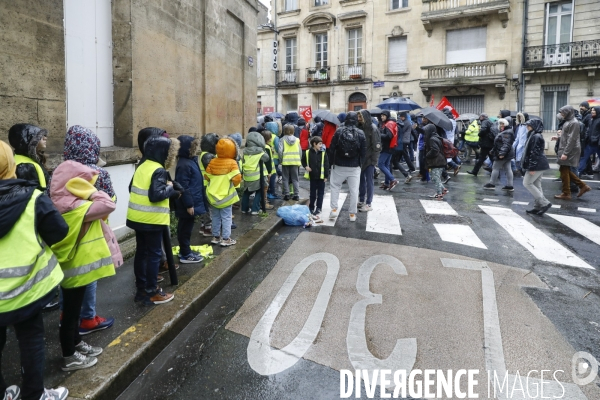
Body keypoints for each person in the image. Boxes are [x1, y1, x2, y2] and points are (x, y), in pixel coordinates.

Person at [0, 140, 70, 400]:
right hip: (25, 291)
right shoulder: (32, 198)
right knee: (30, 340)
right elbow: (59, 231)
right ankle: (35, 394)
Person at [50, 160, 118, 371]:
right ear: (73, 184)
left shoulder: (58, 202)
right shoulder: (78, 206)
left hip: (71, 267)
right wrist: (90, 192)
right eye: (84, 182)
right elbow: (108, 204)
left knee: (73, 311)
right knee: (70, 314)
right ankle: (69, 356)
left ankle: (76, 343)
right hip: (76, 269)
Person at [62, 125, 120, 335]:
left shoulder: (61, 170)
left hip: (66, 231)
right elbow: (111, 200)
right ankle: (88, 318)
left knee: (68, 273)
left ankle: (66, 313)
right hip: (93, 230)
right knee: (88, 273)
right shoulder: (98, 173)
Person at [127, 136, 180, 305]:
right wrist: (171, 189)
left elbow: (131, 188)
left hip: (136, 217)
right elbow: (156, 195)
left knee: (141, 253)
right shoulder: (158, 169)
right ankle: (152, 292)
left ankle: (141, 289)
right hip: (152, 220)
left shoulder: (142, 166)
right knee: (154, 254)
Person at [328, 112, 366, 222]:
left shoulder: (339, 131)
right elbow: (363, 151)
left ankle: (334, 209)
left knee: (335, 186)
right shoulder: (360, 133)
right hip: (354, 165)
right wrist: (360, 164)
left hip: (339, 164)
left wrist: (331, 163)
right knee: (354, 190)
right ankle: (352, 214)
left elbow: (332, 148)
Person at [204, 137, 242, 246]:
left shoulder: (212, 161)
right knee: (226, 217)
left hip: (212, 196)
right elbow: (237, 177)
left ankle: (216, 237)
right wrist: (232, 184)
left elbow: (206, 176)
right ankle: (226, 238)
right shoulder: (232, 163)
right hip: (226, 196)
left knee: (215, 217)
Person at [174, 135, 206, 263]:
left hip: (191, 201)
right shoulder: (184, 164)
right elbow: (183, 186)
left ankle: (186, 251)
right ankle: (185, 254)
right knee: (185, 229)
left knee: (187, 227)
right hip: (187, 203)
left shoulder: (188, 161)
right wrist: (189, 204)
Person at [553, 106, 592, 199]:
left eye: (563, 113)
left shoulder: (574, 123)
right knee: (564, 170)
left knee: (564, 169)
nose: (561, 115)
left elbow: (572, 139)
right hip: (567, 148)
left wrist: (565, 153)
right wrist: (558, 137)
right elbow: (567, 135)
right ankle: (582, 186)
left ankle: (567, 193)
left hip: (570, 149)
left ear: (568, 112)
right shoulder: (569, 121)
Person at [520, 119, 552, 215]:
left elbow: (535, 153)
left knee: (527, 183)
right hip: (539, 164)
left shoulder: (536, 136)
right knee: (537, 186)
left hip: (536, 165)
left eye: (529, 125)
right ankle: (538, 207)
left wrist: (532, 167)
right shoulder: (533, 135)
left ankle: (544, 203)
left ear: (534, 126)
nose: (527, 127)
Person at [8, 124, 51, 192]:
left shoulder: (25, 160)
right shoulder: (26, 167)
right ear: (27, 142)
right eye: (38, 136)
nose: (45, 138)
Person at [241, 131, 272, 214]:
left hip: (247, 175)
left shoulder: (245, 151)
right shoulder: (259, 152)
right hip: (256, 176)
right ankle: (255, 209)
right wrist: (263, 150)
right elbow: (266, 158)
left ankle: (244, 209)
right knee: (259, 191)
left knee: (246, 192)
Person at [357, 110, 381, 212]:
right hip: (361, 158)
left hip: (370, 159)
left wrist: (374, 162)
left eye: (360, 116)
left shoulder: (373, 129)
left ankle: (368, 203)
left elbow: (377, 147)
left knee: (369, 181)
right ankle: (361, 199)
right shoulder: (359, 127)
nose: (358, 118)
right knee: (361, 180)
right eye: (358, 116)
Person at [483, 118, 515, 191]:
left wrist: (502, 153)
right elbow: (499, 143)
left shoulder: (506, 133)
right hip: (506, 153)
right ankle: (509, 185)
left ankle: (492, 184)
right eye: (500, 123)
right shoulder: (506, 131)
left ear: (506, 124)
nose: (501, 125)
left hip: (503, 153)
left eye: (502, 124)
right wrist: (493, 150)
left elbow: (506, 144)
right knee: (508, 169)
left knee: (495, 168)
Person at [302, 136, 329, 218]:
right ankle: (311, 207)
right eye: (320, 144)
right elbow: (303, 160)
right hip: (313, 176)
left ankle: (319, 208)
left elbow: (326, 165)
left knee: (320, 193)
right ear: (314, 144)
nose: (321, 145)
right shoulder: (307, 152)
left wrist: (326, 176)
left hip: (321, 177)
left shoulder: (323, 153)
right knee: (312, 193)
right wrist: (306, 166)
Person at [198, 133, 219, 237]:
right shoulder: (207, 155)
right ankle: (208, 228)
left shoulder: (204, 154)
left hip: (204, 184)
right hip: (207, 184)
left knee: (205, 207)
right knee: (208, 207)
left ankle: (203, 226)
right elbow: (213, 169)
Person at [278, 125, 302, 201]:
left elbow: (280, 151)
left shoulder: (282, 140)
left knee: (285, 178)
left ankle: (287, 194)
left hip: (285, 161)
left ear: (284, 131)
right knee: (295, 179)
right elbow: (300, 151)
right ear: (293, 131)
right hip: (295, 161)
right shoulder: (297, 140)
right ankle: (296, 195)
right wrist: (299, 159)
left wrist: (281, 160)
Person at [424, 124, 447, 200]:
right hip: (439, 161)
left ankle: (439, 194)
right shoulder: (436, 137)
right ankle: (443, 190)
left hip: (436, 161)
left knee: (435, 178)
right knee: (436, 178)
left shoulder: (432, 139)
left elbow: (435, 150)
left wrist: (427, 155)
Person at [377, 110, 399, 190]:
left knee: (380, 164)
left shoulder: (389, 123)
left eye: (383, 116)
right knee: (386, 165)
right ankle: (386, 183)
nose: (382, 117)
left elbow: (388, 136)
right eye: (381, 115)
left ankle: (392, 180)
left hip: (387, 147)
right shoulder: (390, 123)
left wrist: (379, 134)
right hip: (391, 147)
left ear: (387, 116)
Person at [578, 106, 600, 178]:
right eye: (592, 110)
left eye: (594, 110)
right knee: (583, 158)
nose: (592, 112)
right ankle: (577, 175)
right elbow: (588, 130)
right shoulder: (592, 120)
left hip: (598, 144)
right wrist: (586, 138)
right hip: (590, 144)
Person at [264, 122, 281, 200]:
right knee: (273, 177)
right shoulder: (275, 137)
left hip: (266, 159)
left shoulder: (265, 135)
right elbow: (278, 148)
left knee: (267, 177)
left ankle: (267, 192)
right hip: (274, 160)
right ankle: (272, 193)